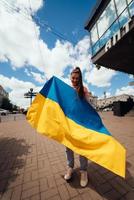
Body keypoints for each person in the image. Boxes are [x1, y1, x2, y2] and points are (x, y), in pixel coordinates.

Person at [64, 67, 91, 187]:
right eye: (73, 78)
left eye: (77, 78)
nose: (74, 80)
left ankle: (83, 171)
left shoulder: (84, 90)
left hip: (81, 124)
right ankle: (70, 167)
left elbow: (88, 108)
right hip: (68, 123)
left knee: (82, 148)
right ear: (70, 77)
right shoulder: (66, 90)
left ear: (80, 79)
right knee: (68, 147)